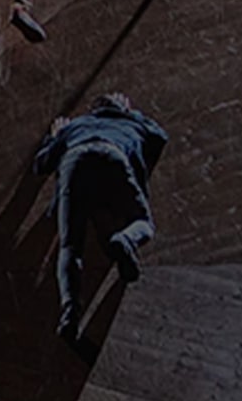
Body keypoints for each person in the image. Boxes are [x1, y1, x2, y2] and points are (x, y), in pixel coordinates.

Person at [31, 93, 169, 342]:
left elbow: (41, 165)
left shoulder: (76, 125)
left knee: (70, 246)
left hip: (75, 159)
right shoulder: (131, 122)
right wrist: (130, 113)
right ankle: (125, 240)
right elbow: (159, 137)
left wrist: (54, 137)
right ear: (122, 107)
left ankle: (70, 314)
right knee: (142, 222)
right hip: (114, 156)